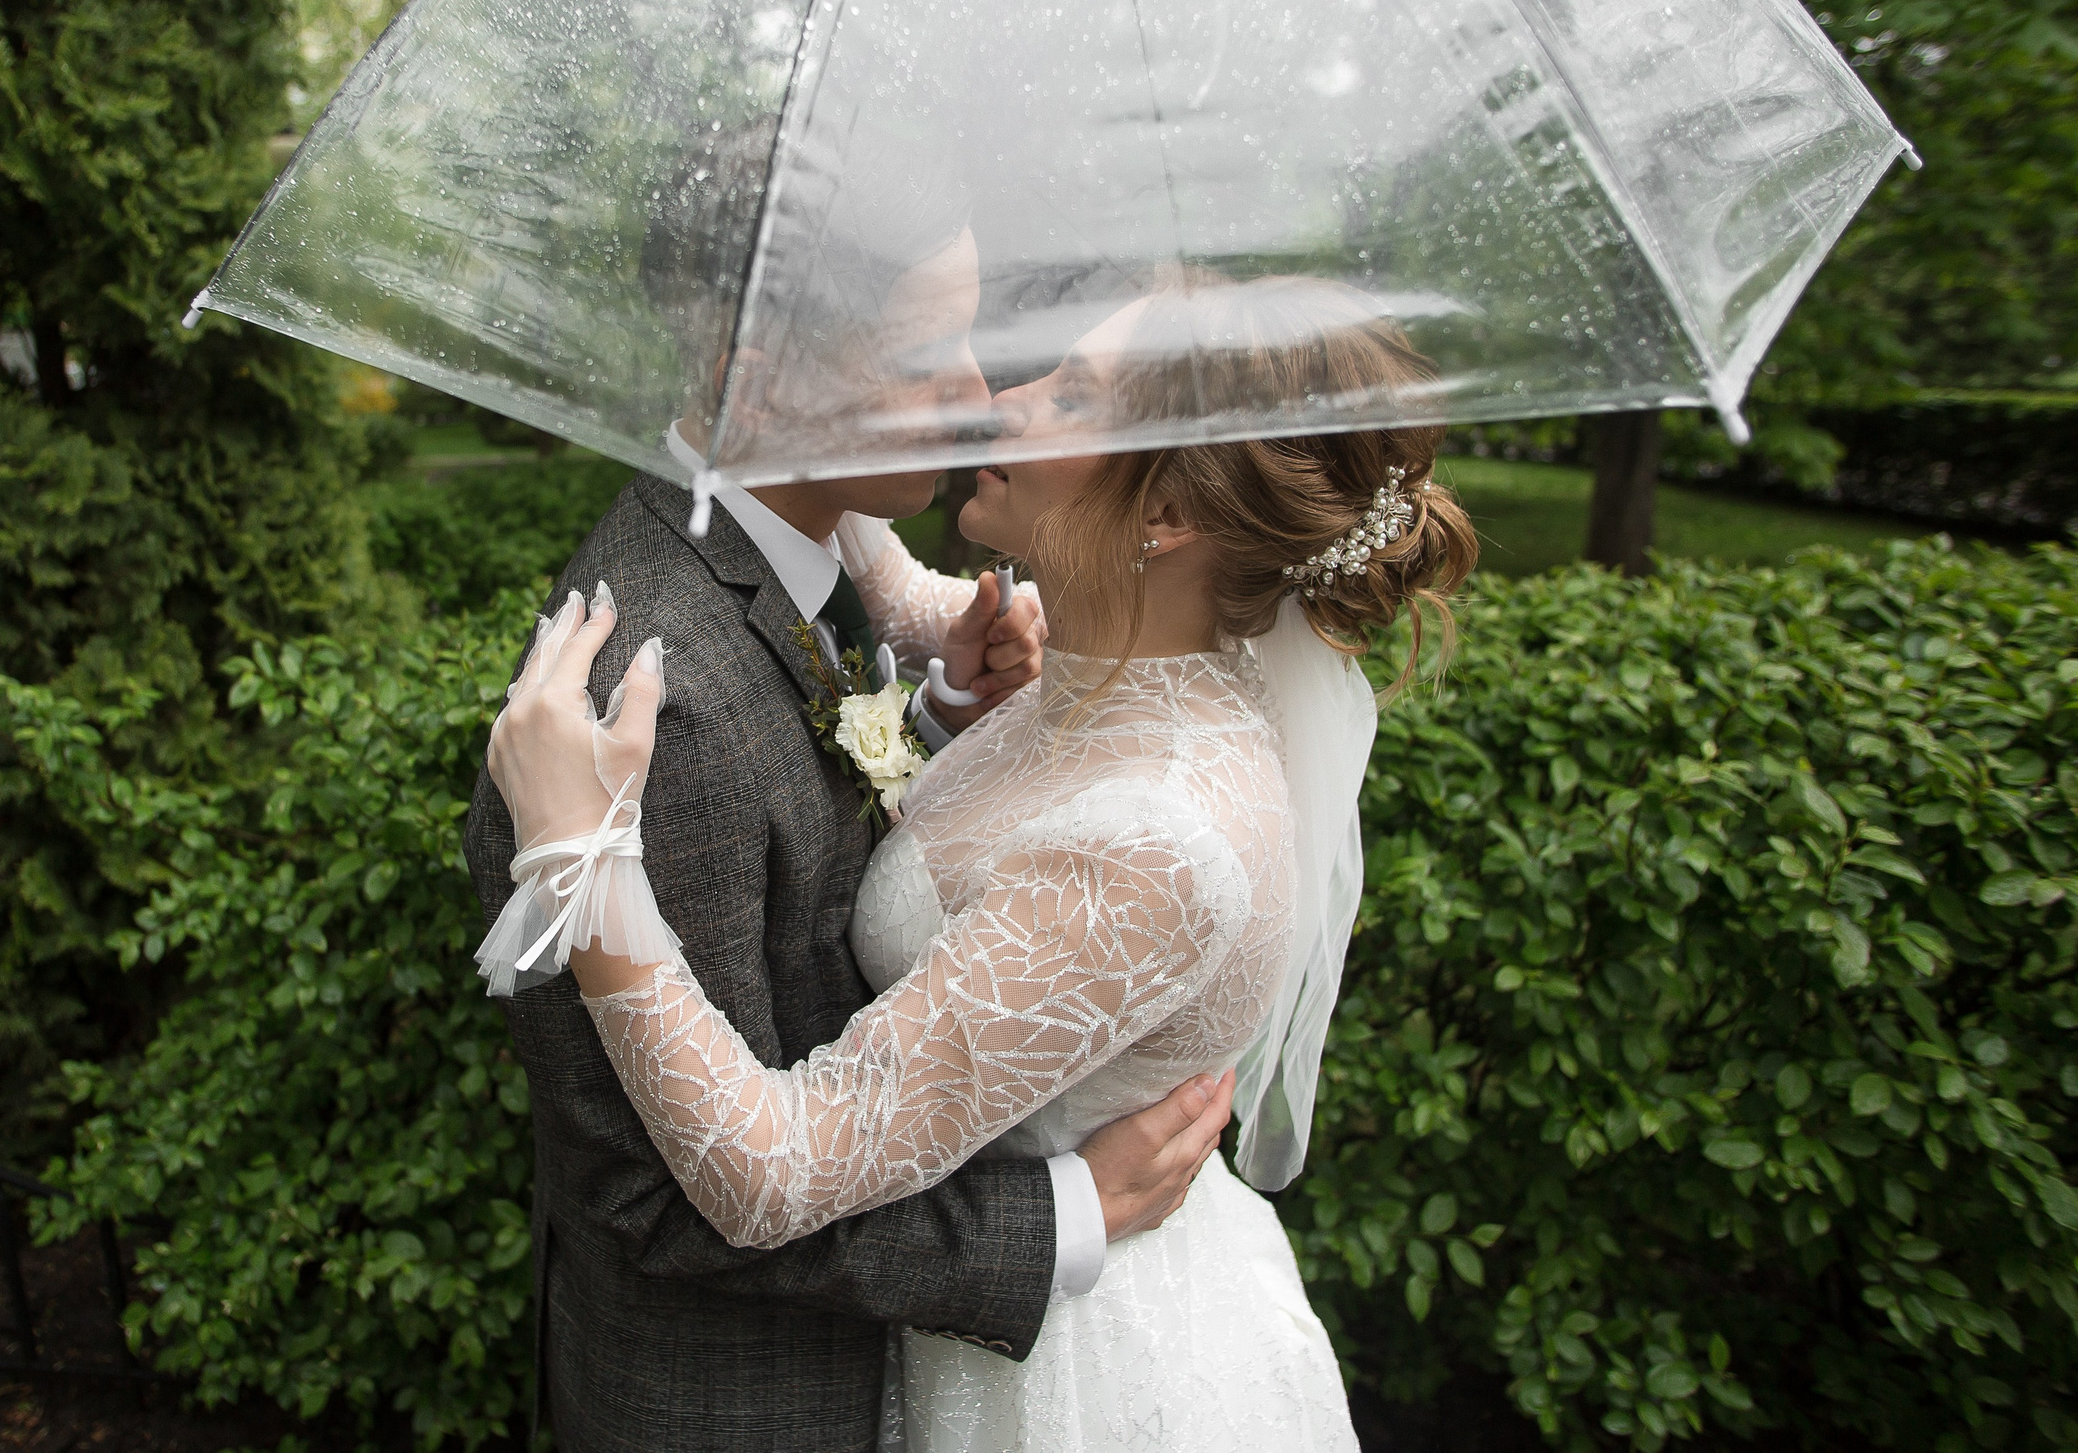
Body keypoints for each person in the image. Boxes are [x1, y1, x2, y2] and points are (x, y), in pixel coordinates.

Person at [484, 271, 1481, 1450]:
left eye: (1069, 393)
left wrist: (583, 858)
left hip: (1077, 1378)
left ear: (1165, 514)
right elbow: (875, 576)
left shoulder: (1156, 841)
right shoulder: (1116, 658)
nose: (999, 396)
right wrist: (941, 700)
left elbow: (769, 1173)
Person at [461, 137, 1237, 1453]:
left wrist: (930, 721)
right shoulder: (657, 705)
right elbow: (664, 1193)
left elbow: (800, 864)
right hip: (744, 1406)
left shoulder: (797, 556)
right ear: (765, 376)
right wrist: (1065, 1214)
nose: (976, 391)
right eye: (925, 353)